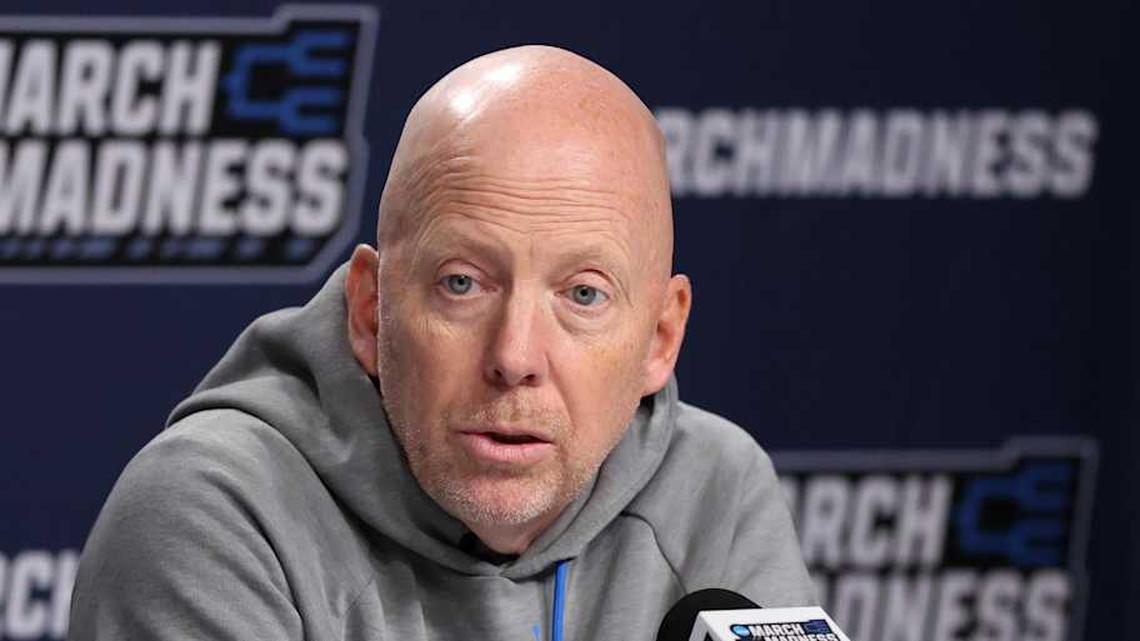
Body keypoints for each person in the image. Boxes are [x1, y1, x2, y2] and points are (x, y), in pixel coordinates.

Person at [69, 45, 814, 640]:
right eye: (463, 283)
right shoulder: (214, 513)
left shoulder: (716, 491)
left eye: (582, 294)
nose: (515, 356)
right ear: (371, 309)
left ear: (661, 337)